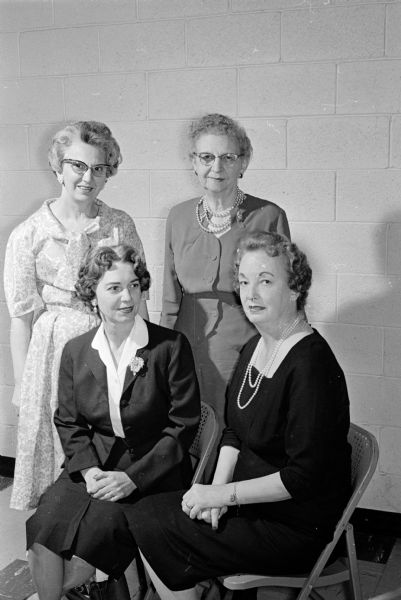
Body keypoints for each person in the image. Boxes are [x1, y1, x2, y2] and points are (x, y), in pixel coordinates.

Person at [129, 231, 352, 599]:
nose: (251, 293)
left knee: (158, 526)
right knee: (147, 512)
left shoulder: (311, 365)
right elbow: (234, 432)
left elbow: (302, 479)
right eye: (245, 281)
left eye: (266, 281)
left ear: (295, 289)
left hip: (293, 523)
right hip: (251, 503)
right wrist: (216, 490)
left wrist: (224, 497)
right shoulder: (256, 345)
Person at [26, 244, 200, 600]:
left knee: (91, 542)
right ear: (92, 294)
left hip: (152, 470)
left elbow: (183, 426)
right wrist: (89, 471)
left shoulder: (170, 347)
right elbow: (68, 421)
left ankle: (104, 585)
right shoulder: (77, 350)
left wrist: (132, 480)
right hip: (97, 464)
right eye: (114, 288)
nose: (127, 297)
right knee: (42, 534)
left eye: (134, 285)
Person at [4, 120, 149, 511]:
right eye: (78, 166)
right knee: (56, 442)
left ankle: (100, 556)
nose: (88, 177)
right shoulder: (29, 233)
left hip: (109, 347)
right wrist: (21, 383)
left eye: (100, 168)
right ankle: (56, 543)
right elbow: (20, 316)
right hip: (51, 352)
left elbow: (138, 298)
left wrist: (144, 361)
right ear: (58, 166)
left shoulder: (119, 226)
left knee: (105, 444)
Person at [161, 113, 290, 425]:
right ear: (193, 162)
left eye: (228, 157)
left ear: (242, 163)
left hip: (248, 346)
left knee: (235, 431)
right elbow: (169, 296)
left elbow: (285, 295)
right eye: (206, 157)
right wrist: (162, 354)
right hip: (186, 348)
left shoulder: (269, 216)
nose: (216, 167)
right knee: (186, 430)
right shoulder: (177, 217)